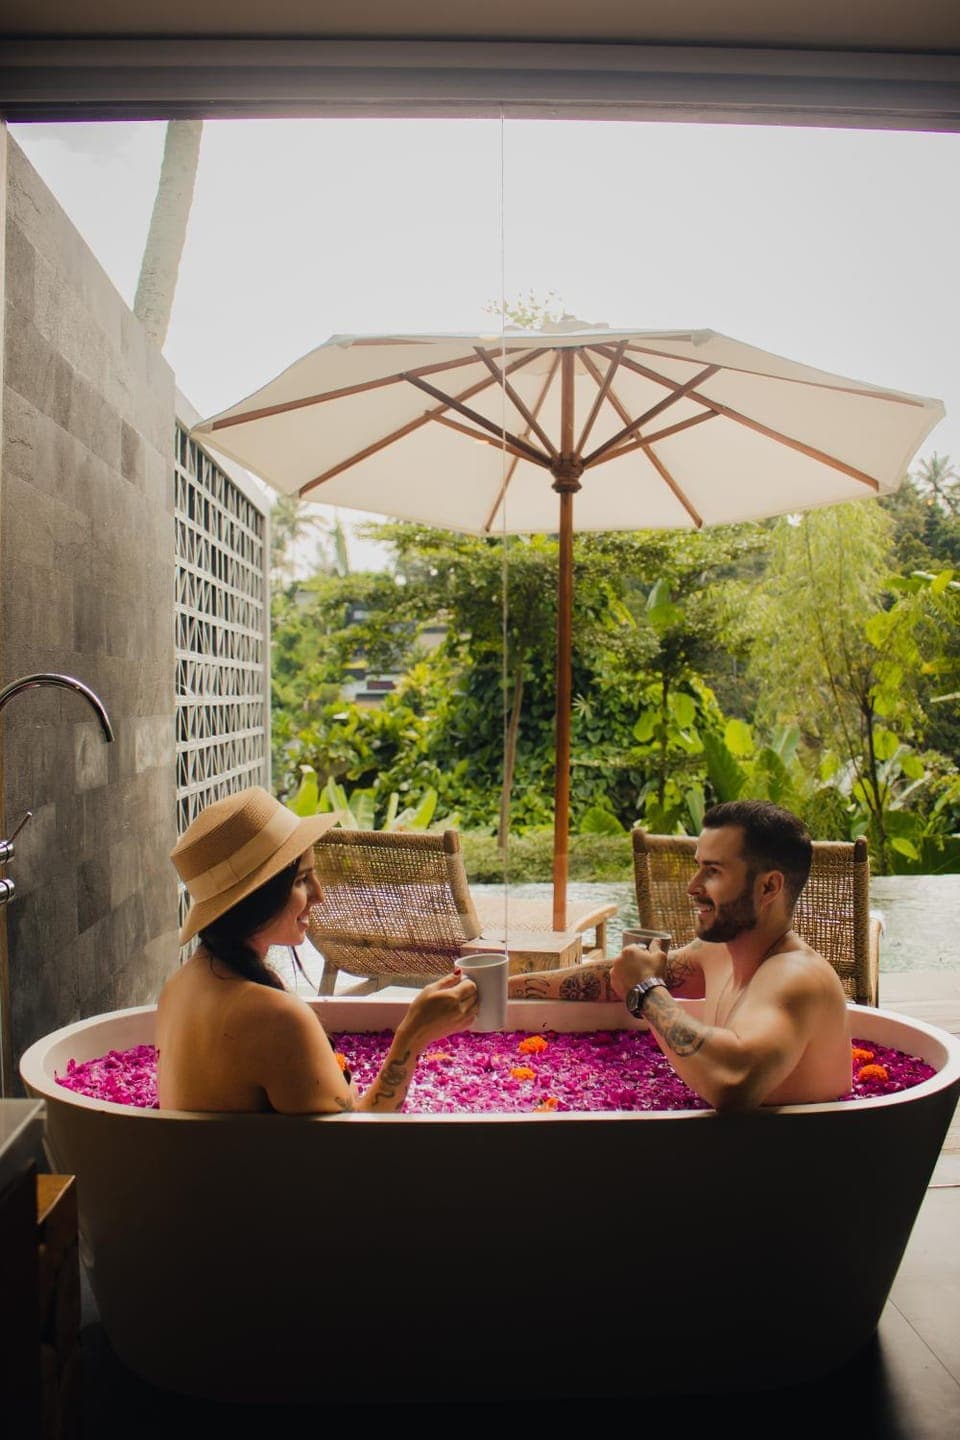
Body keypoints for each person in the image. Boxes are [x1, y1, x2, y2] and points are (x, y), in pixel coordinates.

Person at [507, 800, 851, 1111]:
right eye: (698, 866)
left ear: (768, 887)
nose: (693, 885)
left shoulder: (796, 977)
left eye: (713, 871)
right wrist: (502, 988)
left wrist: (646, 991)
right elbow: (619, 976)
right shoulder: (719, 952)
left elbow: (733, 1084)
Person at [157, 785, 479, 1114]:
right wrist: (413, 1034)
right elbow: (352, 1148)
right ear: (256, 898)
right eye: (301, 880)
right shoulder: (276, 1018)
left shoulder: (177, 989)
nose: (319, 895)